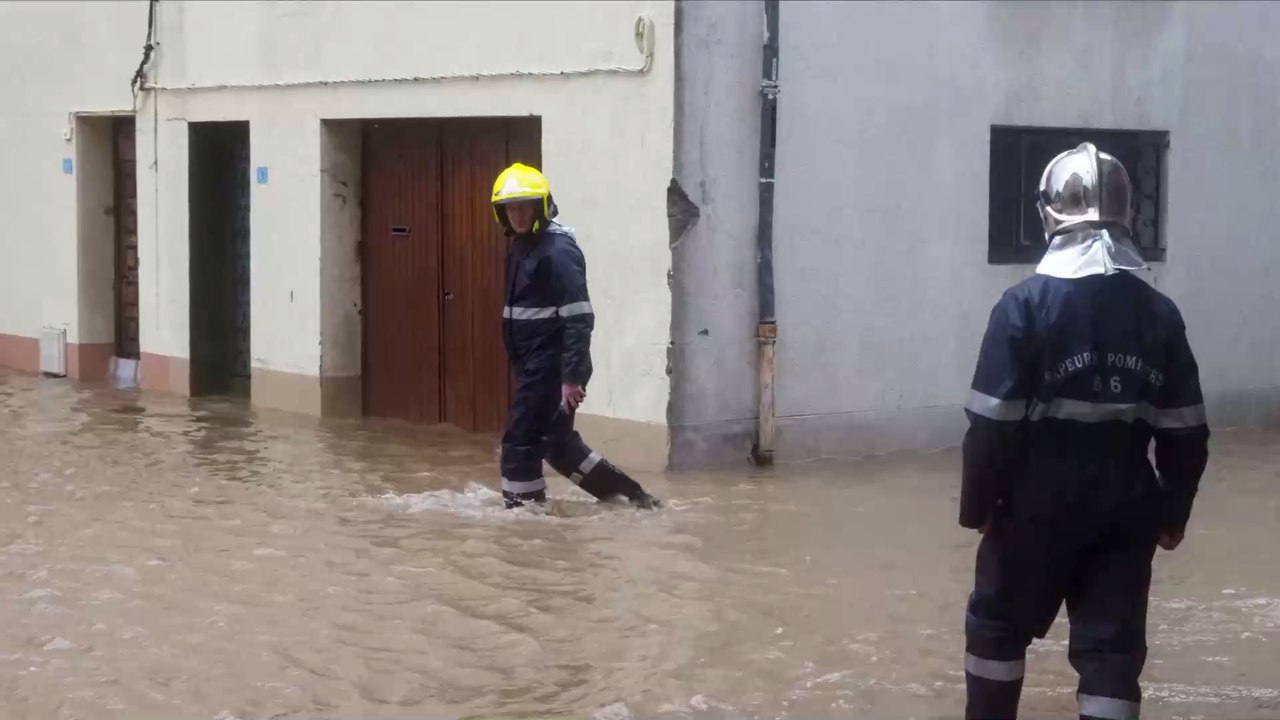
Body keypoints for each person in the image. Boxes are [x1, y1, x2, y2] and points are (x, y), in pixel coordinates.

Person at [960, 143, 1209, 720]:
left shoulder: (1022, 307)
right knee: (1112, 655)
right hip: (1126, 507)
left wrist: (979, 508)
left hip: (1030, 507)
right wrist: (1172, 514)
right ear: (1127, 217)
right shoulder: (1160, 314)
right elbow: (1186, 433)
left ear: (1049, 215)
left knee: (997, 629)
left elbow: (991, 427)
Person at [489, 162, 661, 511]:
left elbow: (580, 319)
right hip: (536, 365)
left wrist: (570, 378)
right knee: (556, 443)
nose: (518, 215)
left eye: (524, 206)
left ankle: (524, 520)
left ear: (540, 206)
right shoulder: (524, 247)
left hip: (551, 368)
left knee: (519, 442)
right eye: (511, 208)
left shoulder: (558, 251)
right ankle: (632, 499)